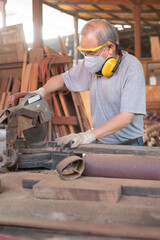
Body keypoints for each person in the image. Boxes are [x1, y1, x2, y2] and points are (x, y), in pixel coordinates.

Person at [35, 19, 146, 148]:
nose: (87, 58)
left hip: (129, 145)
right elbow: (62, 79)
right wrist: (41, 91)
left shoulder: (132, 67)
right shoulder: (91, 65)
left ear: (110, 47)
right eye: (84, 53)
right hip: (101, 141)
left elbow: (125, 117)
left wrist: (87, 136)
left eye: (91, 52)